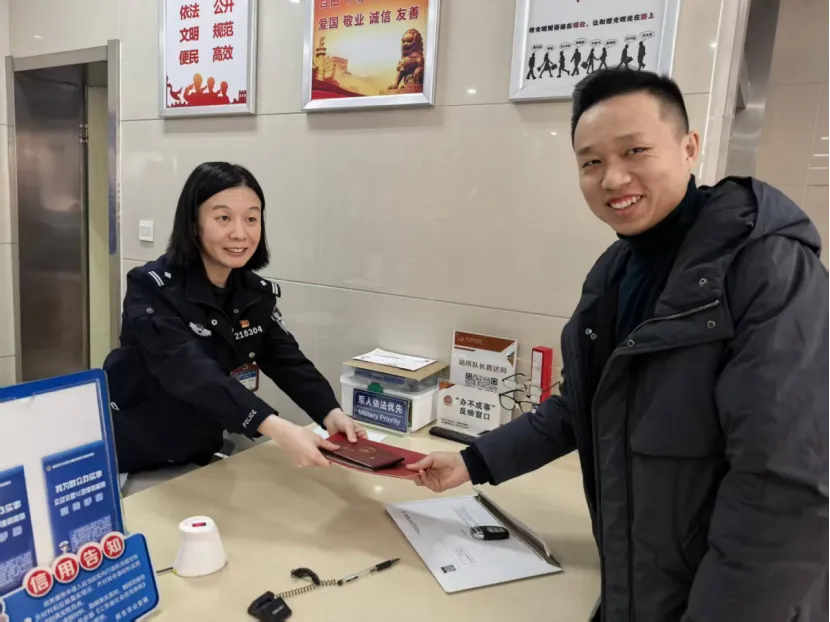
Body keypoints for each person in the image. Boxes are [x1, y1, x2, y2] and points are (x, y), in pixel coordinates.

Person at [407, 69, 830, 621]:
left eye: (635, 151)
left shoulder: (768, 271)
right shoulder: (615, 271)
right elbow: (582, 404)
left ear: (689, 147)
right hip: (644, 588)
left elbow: (784, 490)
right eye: (591, 162)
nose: (612, 178)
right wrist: (473, 461)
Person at [104, 162, 365, 474]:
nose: (240, 233)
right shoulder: (151, 288)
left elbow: (287, 360)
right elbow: (188, 371)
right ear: (193, 223)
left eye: (251, 219)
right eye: (223, 218)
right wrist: (276, 427)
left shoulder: (253, 293)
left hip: (199, 451)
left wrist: (330, 412)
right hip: (134, 451)